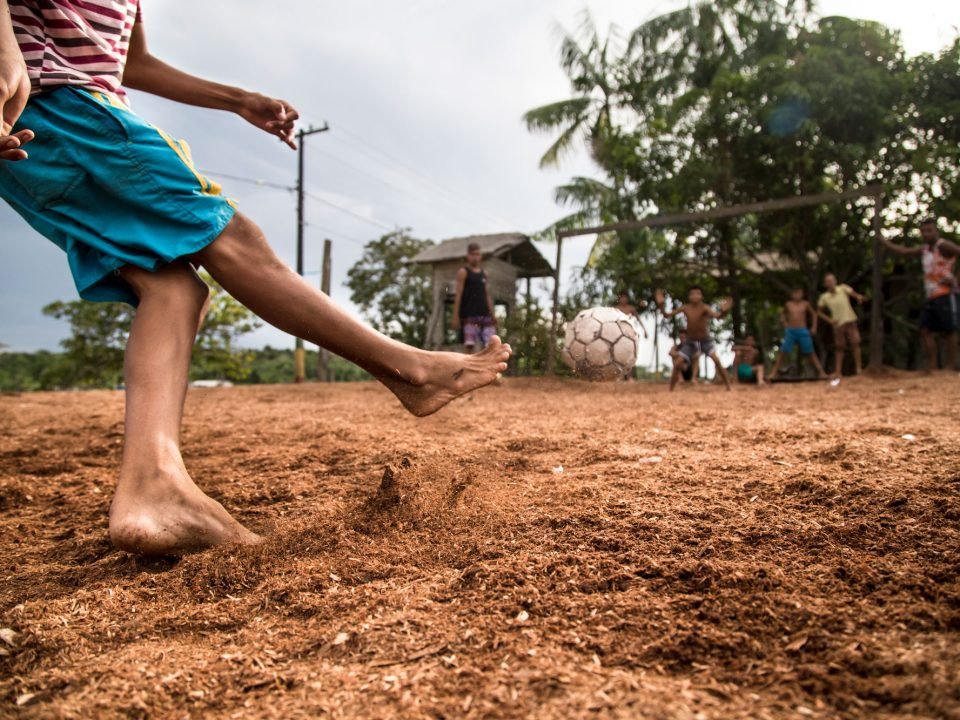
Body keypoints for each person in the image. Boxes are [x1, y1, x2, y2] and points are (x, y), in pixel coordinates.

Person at [0, 1, 511, 556]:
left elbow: (132, 62)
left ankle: (152, 490)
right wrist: (5, 56)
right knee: (232, 237)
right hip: (56, 105)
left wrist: (237, 100)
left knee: (175, 289)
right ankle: (410, 370)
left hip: (45, 132)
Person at [881, 218, 960, 371]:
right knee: (924, 329)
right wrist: (883, 241)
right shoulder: (924, 250)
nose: (926, 234)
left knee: (950, 330)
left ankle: (951, 367)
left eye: (929, 230)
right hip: (931, 295)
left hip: (946, 294)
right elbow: (904, 251)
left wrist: (957, 280)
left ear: (936, 231)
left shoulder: (943, 246)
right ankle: (933, 366)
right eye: (923, 231)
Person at [655, 286, 733, 391]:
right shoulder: (685, 307)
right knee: (678, 363)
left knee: (716, 360)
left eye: (698, 294)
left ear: (701, 296)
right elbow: (667, 315)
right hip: (690, 341)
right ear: (689, 296)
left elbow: (718, 316)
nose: (695, 296)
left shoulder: (705, 307)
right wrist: (661, 306)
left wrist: (724, 311)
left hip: (705, 340)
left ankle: (728, 386)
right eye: (693, 294)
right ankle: (671, 389)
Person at [770, 289, 828, 380]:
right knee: (783, 351)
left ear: (802, 294)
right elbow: (782, 315)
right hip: (791, 331)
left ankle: (821, 372)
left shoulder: (805, 304)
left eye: (799, 293)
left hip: (803, 330)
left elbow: (814, 314)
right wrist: (784, 322)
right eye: (795, 292)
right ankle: (773, 372)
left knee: (810, 352)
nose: (797, 295)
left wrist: (814, 327)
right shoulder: (788, 304)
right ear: (791, 294)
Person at [451, 243, 498, 353]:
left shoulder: (484, 274)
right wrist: (455, 316)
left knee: (490, 346)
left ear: (480, 256)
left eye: (477, 254)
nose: (475, 257)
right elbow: (458, 294)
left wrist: (493, 314)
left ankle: (486, 370)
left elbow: (487, 295)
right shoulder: (463, 272)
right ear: (468, 255)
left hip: (485, 315)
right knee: (469, 346)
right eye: (472, 254)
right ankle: (467, 369)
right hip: (470, 316)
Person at [817, 273, 866, 378]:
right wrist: (830, 320)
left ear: (835, 281)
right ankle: (838, 371)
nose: (831, 283)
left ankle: (858, 369)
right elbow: (819, 312)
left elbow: (855, 294)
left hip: (849, 319)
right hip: (838, 322)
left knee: (855, 342)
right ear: (825, 284)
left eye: (832, 280)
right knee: (839, 346)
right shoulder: (824, 297)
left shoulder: (843, 288)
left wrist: (859, 297)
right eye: (828, 281)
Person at [613, 290, 648, 380]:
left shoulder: (631, 308)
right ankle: (619, 376)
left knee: (630, 356)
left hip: (630, 334)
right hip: (618, 336)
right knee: (618, 356)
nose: (624, 299)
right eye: (622, 297)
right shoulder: (615, 309)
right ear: (619, 299)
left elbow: (638, 319)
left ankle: (629, 377)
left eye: (626, 297)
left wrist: (644, 330)